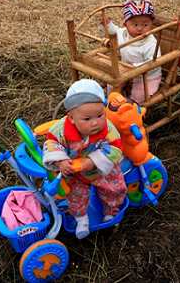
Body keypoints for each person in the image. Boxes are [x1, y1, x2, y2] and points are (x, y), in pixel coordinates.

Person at [43, 79, 126, 239]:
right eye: (87, 119)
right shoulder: (61, 130)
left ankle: (111, 211)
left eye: (100, 115)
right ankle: (81, 218)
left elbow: (115, 148)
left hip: (102, 170)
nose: (95, 122)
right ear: (72, 118)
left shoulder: (108, 129)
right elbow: (51, 143)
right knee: (75, 195)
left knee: (115, 187)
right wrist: (61, 161)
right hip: (75, 173)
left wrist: (93, 161)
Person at [100, 0, 161, 105]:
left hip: (146, 76)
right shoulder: (123, 34)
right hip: (126, 71)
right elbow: (114, 31)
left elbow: (154, 62)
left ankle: (130, 107)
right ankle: (111, 101)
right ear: (125, 24)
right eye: (135, 25)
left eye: (145, 25)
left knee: (138, 95)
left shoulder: (151, 43)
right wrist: (108, 24)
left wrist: (135, 67)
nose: (140, 28)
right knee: (114, 83)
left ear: (152, 24)